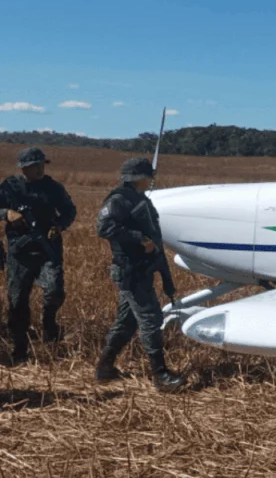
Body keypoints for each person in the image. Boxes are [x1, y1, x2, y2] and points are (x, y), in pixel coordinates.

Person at [94, 158, 185, 391]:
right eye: (148, 175)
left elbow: (154, 237)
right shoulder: (119, 200)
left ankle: (105, 367)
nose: (151, 179)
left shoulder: (140, 199)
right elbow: (103, 227)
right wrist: (139, 239)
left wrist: (165, 275)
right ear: (137, 177)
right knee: (151, 319)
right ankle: (160, 375)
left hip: (140, 270)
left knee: (126, 323)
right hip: (130, 271)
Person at [0, 147, 76, 363]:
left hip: (47, 249)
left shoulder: (53, 188)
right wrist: (6, 213)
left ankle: (49, 323)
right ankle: (19, 349)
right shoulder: (10, 187)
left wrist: (60, 226)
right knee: (17, 301)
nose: (40, 168)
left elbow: (70, 211)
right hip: (20, 253)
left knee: (55, 291)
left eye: (42, 164)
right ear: (24, 168)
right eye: (35, 165)